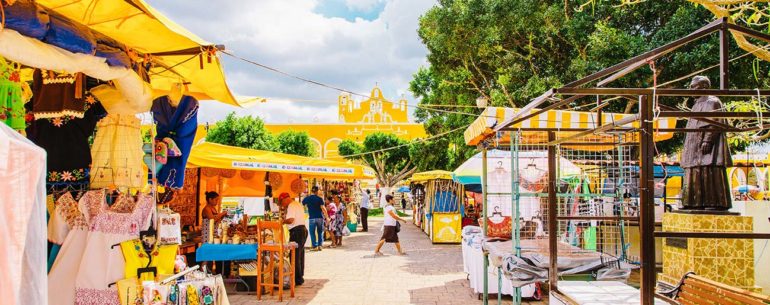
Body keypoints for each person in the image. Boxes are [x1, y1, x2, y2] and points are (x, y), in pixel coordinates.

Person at [279, 192, 308, 286]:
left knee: (294, 256)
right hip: (302, 230)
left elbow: (291, 220)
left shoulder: (291, 205)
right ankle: (300, 277)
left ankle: (297, 279)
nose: (282, 205)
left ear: (284, 199)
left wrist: (282, 221)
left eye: (281, 202)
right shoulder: (297, 204)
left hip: (297, 232)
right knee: (300, 255)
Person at [302, 186, 328, 251]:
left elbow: (303, 204)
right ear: (317, 191)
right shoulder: (319, 199)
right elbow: (323, 208)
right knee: (320, 232)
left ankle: (314, 246)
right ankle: (320, 246)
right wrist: (327, 217)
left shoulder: (307, 198)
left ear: (311, 191)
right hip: (319, 217)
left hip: (311, 218)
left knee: (312, 232)